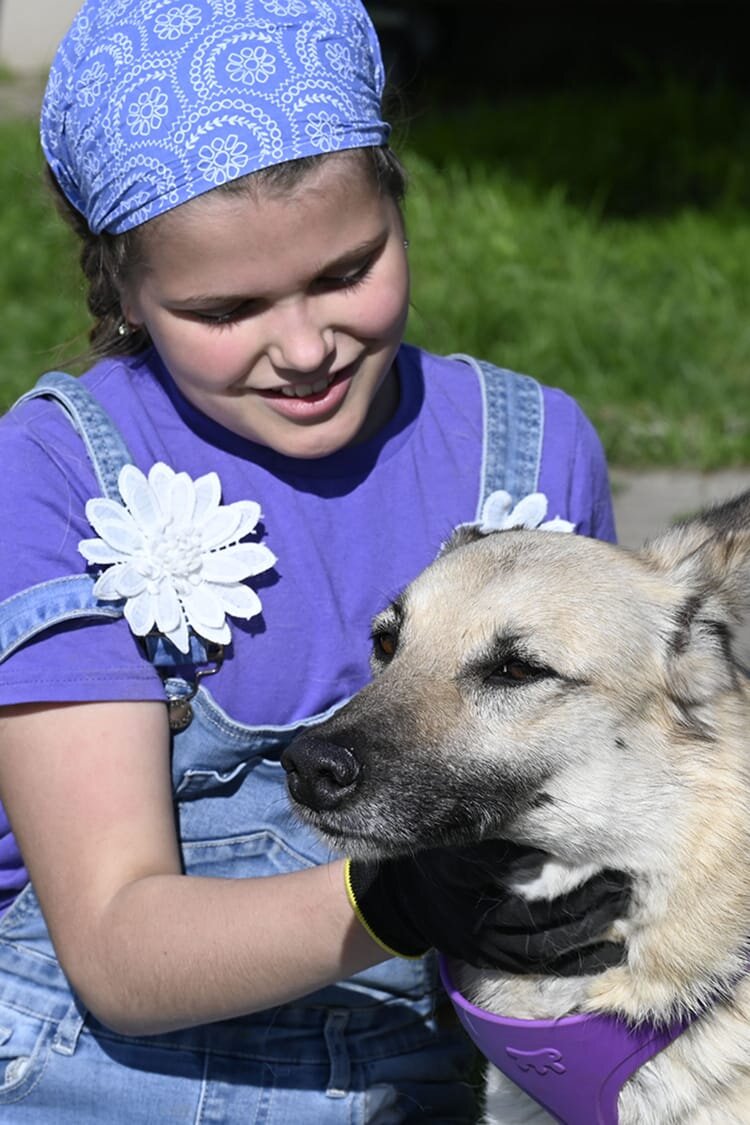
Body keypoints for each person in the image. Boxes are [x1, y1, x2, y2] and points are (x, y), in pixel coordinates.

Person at [0, 2, 628, 1120]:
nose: (302, 349)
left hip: (435, 1071)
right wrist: (396, 903)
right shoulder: (56, 475)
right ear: (124, 290)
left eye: (346, 272)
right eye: (226, 308)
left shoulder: (525, 450)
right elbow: (115, 949)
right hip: (102, 1081)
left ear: (399, 202)